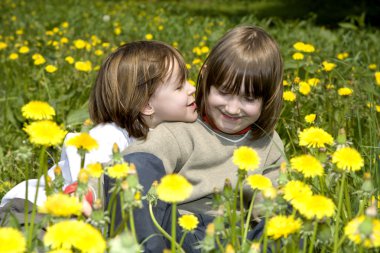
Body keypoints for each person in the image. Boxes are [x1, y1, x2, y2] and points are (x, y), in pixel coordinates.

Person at [105, 25, 285, 252]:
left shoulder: (269, 143)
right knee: (136, 175)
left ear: (267, 100)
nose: (232, 108)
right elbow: (136, 162)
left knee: (292, 215)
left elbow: (271, 208)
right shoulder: (182, 127)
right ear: (207, 80)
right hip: (181, 232)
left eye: (248, 99)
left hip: (236, 237)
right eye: (224, 92)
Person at [0, 41, 198, 215]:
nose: (192, 89)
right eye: (180, 86)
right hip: (34, 208)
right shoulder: (108, 136)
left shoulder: (165, 135)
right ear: (147, 106)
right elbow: (88, 181)